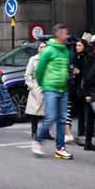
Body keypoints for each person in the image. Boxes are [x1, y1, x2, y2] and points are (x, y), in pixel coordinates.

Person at [32, 24, 73, 160]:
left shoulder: (65, 50)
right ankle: (38, 140)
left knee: (62, 119)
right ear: (58, 34)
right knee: (50, 117)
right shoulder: (48, 50)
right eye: (65, 33)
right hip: (50, 88)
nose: (67, 36)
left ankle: (60, 148)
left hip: (63, 88)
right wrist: (43, 85)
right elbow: (39, 70)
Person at [23, 40, 47, 139]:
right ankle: (34, 130)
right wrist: (31, 86)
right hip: (37, 87)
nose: (43, 49)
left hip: (48, 86)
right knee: (36, 112)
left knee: (48, 111)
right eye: (41, 47)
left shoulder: (49, 59)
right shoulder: (33, 59)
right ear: (38, 49)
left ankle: (46, 132)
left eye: (45, 47)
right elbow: (27, 74)